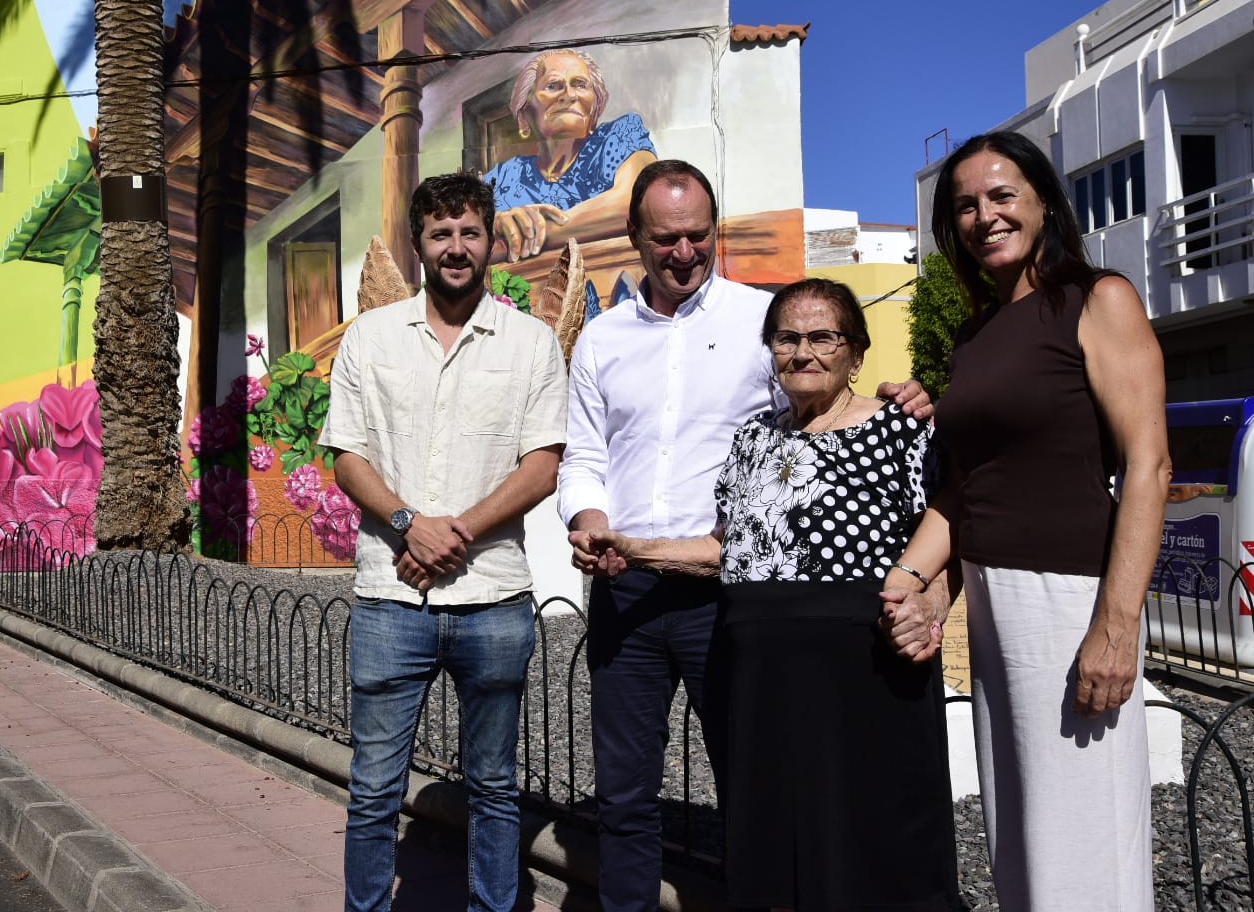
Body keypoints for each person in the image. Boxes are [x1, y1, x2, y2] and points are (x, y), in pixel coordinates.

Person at [557, 158, 933, 912]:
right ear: (635, 236)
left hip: (727, 592)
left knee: (752, 779)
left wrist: (906, 394)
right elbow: (587, 455)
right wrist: (589, 521)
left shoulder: (759, 324)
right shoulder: (601, 340)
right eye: (666, 239)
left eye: (699, 234)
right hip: (623, 588)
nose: (685, 252)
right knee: (625, 793)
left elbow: (819, 404)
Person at [883, 130, 1171, 912]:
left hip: (1069, 598)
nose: (984, 216)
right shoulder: (976, 337)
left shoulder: (1097, 299)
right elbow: (965, 486)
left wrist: (1116, 625)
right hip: (995, 599)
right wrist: (915, 580)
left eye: (1002, 195)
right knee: (1024, 830)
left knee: (1084, 839)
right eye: (965, 204)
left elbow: (1149, 465)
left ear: (1043, 201)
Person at [319, 171, 569, 912]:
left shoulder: (530, 344)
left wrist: (455, 531)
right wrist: (407, 523)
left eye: (469, 233)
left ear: (491, 241)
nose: (456, 248)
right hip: (390, 598)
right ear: (418, 244)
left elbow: (543, 465)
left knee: (493, 786)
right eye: (441, 235)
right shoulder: (370, 337)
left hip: (493, 599)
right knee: (372, 789)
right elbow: (347, 455)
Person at [486, 49, 656, 262]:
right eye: (553, 85)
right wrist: (493, 225)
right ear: (523, 116)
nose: (569, 94)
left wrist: (531, 233)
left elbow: (638, 202)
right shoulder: (504, 176)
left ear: (595, 109)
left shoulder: (619, 136)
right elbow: (462, 234)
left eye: (580, 84)